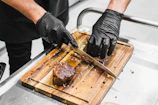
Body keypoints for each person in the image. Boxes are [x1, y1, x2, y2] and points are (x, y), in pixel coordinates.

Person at [0, 0, 131, 75]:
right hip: (14, 10)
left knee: (57, 52)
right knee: (20, 62)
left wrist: (114, 12)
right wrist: (37, 14)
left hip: (56, 5)